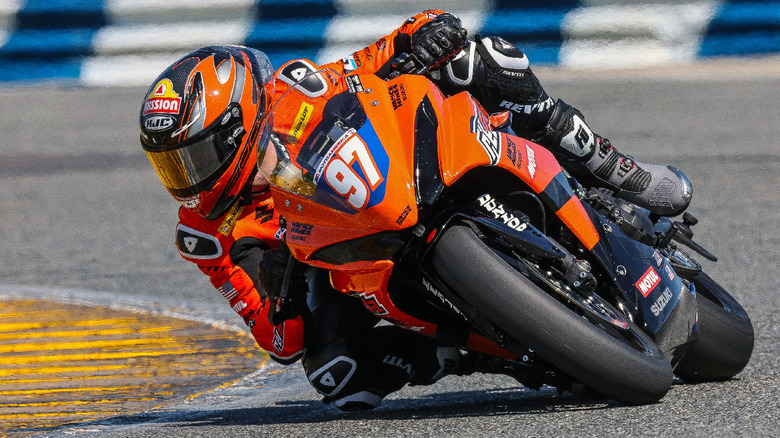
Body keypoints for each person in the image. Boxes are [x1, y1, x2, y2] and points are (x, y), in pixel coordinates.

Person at [139, 10, 692, 411]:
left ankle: (621, 172)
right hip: (341, 260)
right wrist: (281, 280)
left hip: (397, 176)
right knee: (339, 378)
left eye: (192, 158)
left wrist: (422, 32)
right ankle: (510, 355)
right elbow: (279, 341)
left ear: (239, 123)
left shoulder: (293, 91)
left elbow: (367, 62)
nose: (186, 181)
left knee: (483, 59)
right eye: (171, 167)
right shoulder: (207, 233)